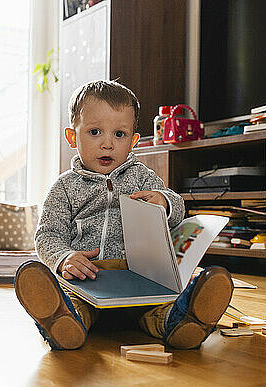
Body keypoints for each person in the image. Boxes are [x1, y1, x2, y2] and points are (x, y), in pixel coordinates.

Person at [14, 80, 233, 350]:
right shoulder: (64, 187)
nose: (107, 144)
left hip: (140, 282)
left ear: (133, 141)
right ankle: (62, 321)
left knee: (159, 307)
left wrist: (165, 202)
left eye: (119, 135)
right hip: (87, 280)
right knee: (73, 303)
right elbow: (47, 234)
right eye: (95, 132)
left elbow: (179, 209)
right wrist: (63, 258)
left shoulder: (142, 177)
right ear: (72, 137)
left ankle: (183, 322)